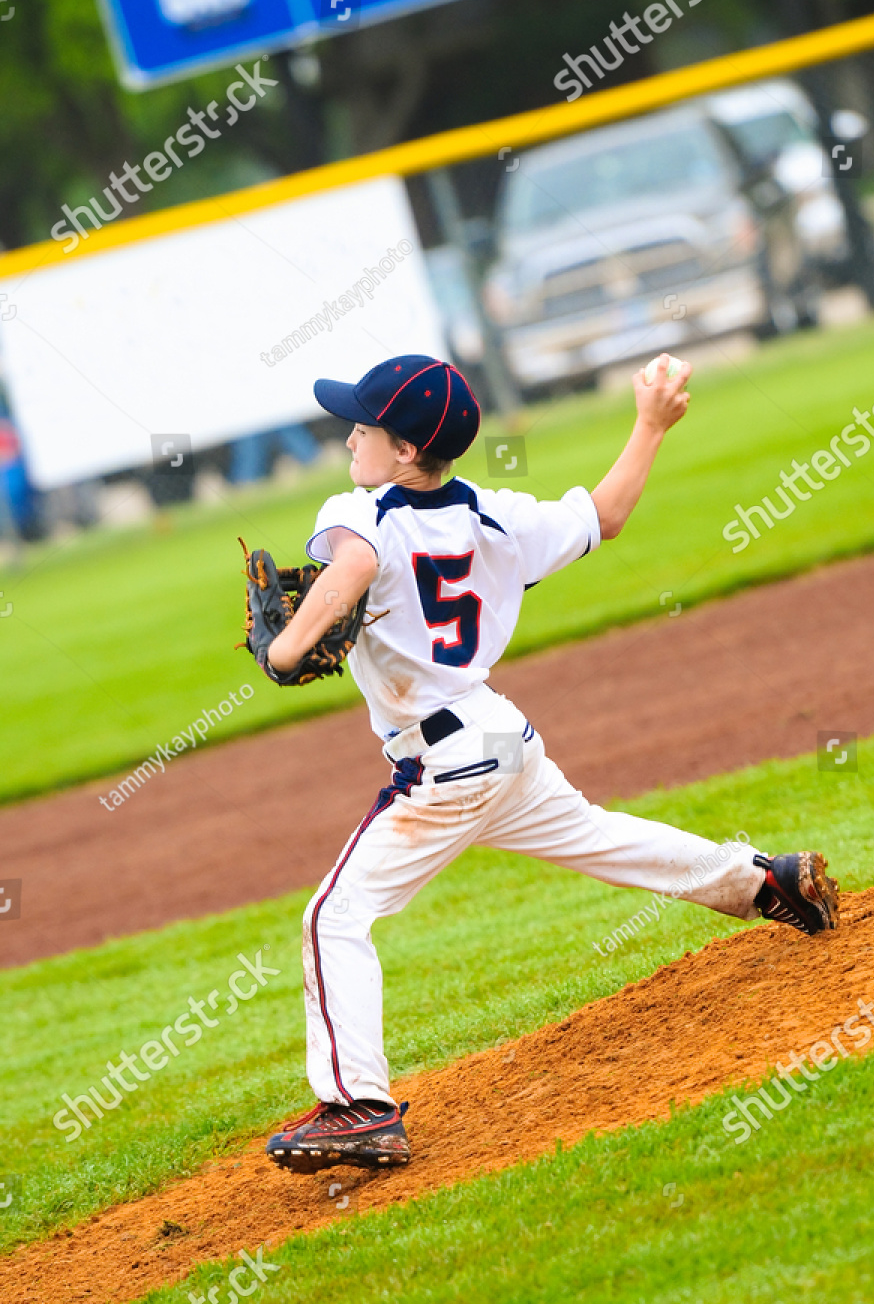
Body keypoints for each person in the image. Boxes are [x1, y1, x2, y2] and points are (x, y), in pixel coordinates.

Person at [263, 354, 839, 1173]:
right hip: (499, 737)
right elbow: (604, 517)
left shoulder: (362, 512)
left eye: (365, 424)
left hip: (448, 758)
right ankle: (762, 882)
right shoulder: (497, 515)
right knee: (595, 835)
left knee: (333, 916)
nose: (350, 432)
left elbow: (351, 567)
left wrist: (286, 652)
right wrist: (650, 424)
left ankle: (360, 1108)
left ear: (401, 453)